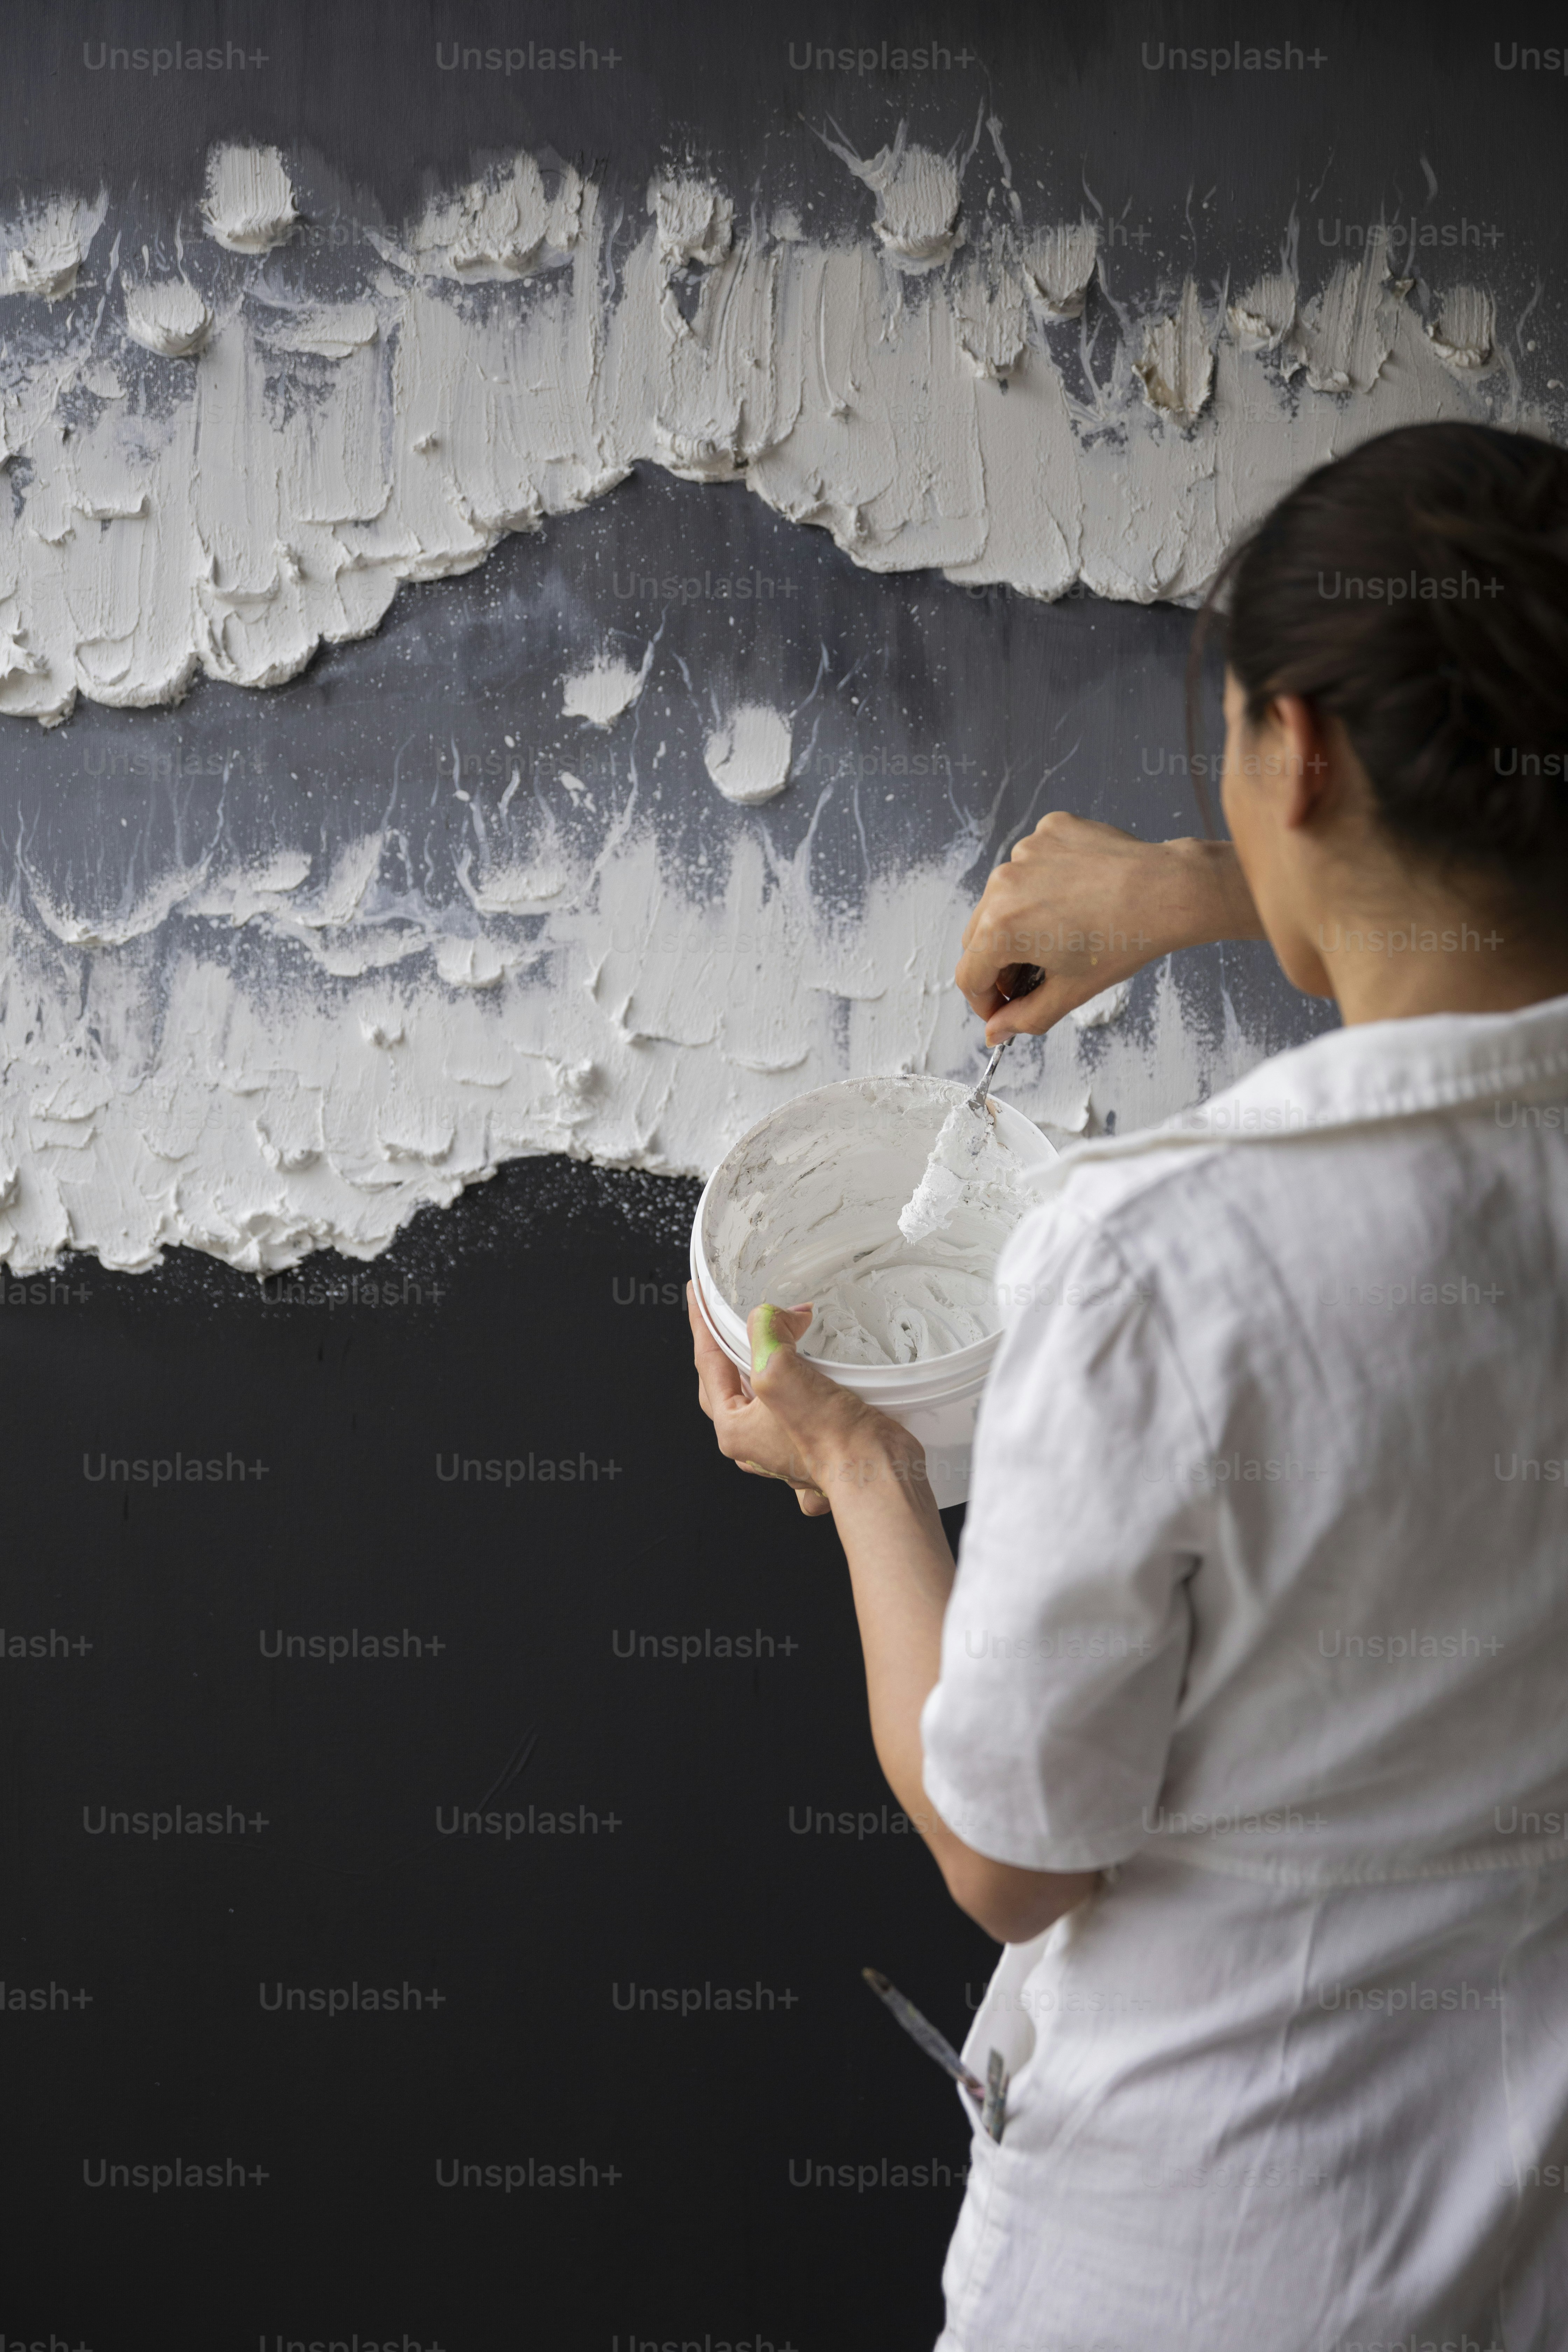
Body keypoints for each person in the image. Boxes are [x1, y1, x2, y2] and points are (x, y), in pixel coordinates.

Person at [687, 420, 1568, 2350]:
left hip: (1206, 2261)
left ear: (1297, 752)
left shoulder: (1166, 1248)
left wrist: (859, 1467)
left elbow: (1010, 1858)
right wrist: (1225, 888)